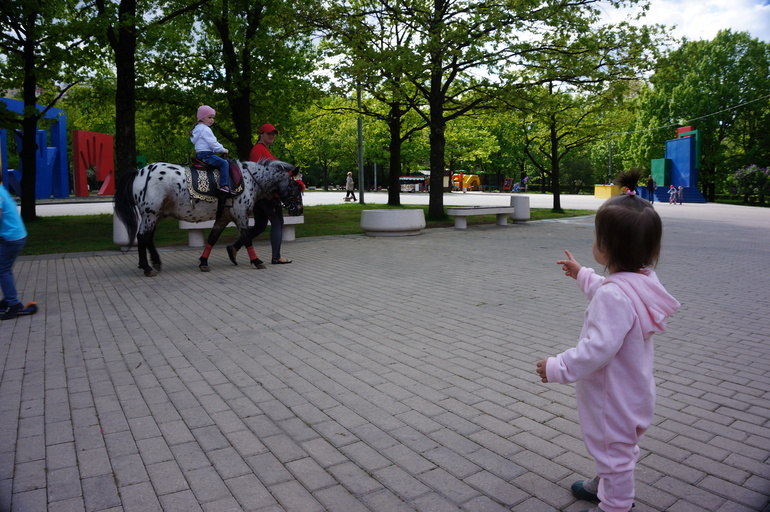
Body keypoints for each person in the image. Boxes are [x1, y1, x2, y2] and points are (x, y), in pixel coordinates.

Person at [535, 170, 680, 512]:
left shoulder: (615, 295)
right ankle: (605, 483)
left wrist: (557, 367)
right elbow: (610, 289)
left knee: (613, 450)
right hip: (633, 390)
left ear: (604, 247)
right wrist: (582, 274)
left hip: (610, 395)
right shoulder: (642, 281)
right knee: (617, 447)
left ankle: (615, 504)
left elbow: (597, 348)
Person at [227, 123, 292, 265]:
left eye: (273, 134)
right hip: (267, 196)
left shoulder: (264, 150)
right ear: (261, 134)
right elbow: (263, 176)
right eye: (269, 133)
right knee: (277, 222)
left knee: (260, 226)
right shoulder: (258, 150)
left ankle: (234, 247)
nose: (272, 136)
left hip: (263, 195)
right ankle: (276, 257)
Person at [0, 175, 29, 320]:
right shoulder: (1, 189)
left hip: (11, 238)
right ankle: (8, 299)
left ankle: (13, 303)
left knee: (2, 270)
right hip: (16, 236)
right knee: (4, 269)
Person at [190, 105, 232, 195]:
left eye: (213, 118)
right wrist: (223, 150)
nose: (212, 120)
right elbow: (213, 144)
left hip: (199, 154)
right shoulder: (205, 129)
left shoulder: (197, 129)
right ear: (202, 118)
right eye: (210, 117)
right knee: (224, 163)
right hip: (207, 155)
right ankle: (224, 185)